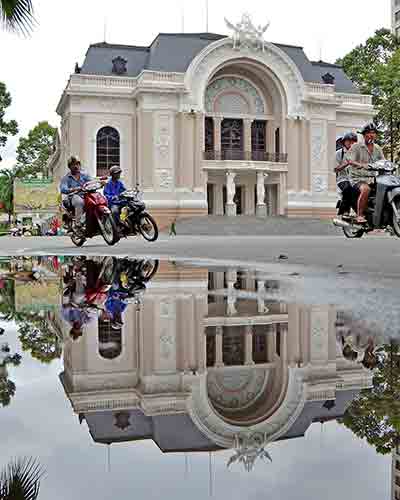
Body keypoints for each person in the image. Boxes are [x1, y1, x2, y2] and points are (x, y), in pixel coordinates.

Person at [347, 123, 385, 224]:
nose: (371, 135)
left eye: (373, 133)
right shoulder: (356, 146)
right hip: (358, 178)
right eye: (369, 133)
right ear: (364, 135)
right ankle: (359, 215)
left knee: (386, 188)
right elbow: (350, 160)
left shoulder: (377, 148)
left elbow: (383, 161)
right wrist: (359, 164)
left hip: (372, 178)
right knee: (366, 189)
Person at [60, 156, 93, 227]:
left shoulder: (85, 175)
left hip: (87, 195)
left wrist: (100, 183)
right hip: (73, 197)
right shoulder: (66, 178)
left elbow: (92, 182)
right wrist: (74, 189)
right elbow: (63, 189)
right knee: (79, 201)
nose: (76, 166)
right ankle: (78, 224)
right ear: (69, 167)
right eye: (73, 164)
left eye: (77, 164)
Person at [335, 132, 358, 216]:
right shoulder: (338, 153)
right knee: (348, 188)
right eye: (349, 141)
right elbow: (335, 169)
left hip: (356, 178)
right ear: (344, 142)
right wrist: (346, 163)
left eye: (353, 141)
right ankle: (345, 211)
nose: (351, 143)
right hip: (343, 178)